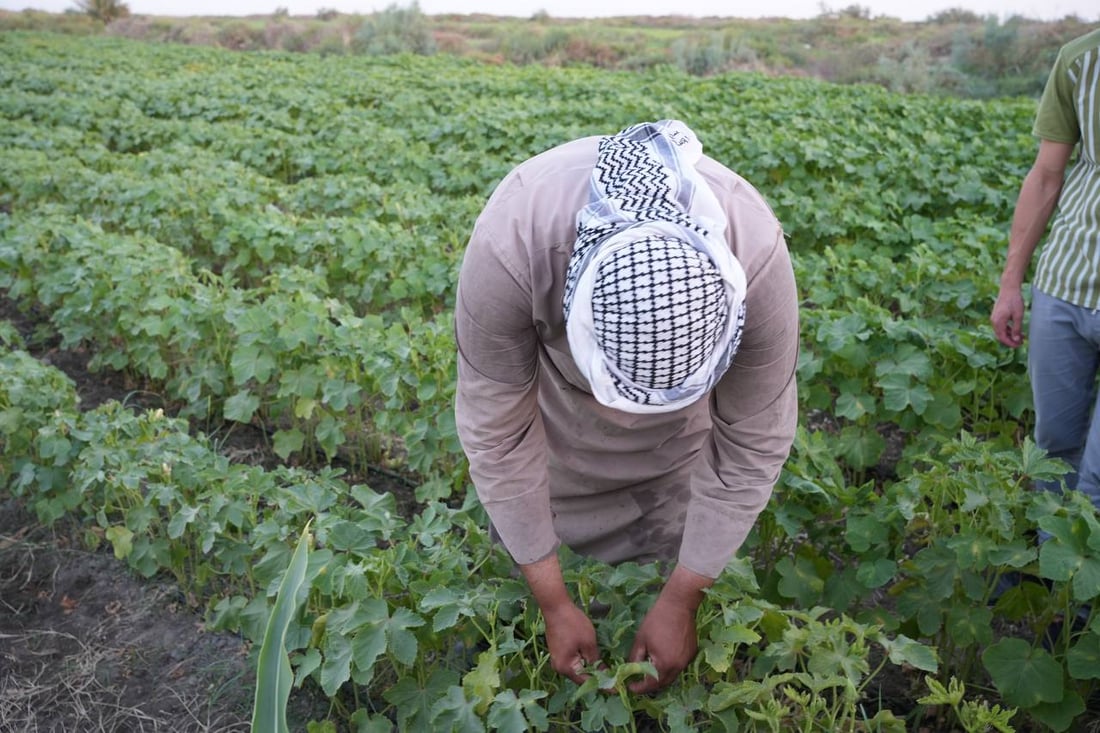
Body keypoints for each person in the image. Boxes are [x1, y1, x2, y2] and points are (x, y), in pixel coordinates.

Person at [454, 120, 799, 694]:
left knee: (669, 548)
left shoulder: (754, 255)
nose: (631, 420)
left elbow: (753, 440)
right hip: (557, 426)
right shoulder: (513, 241)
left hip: (678, 454)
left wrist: (683, 596)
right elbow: (498, 435)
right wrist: (553, 601)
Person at [991, 28, 1100, 509]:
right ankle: (1041, 574)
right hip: (1064, 285)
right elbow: (1046, 175)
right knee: (1053, 450)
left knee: (1097, 478)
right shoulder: (1081, 60)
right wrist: (1011, 281)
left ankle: (1077, 578)